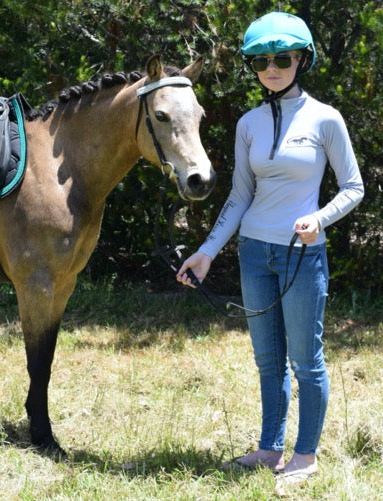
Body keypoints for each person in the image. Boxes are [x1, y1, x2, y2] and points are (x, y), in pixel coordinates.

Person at [176, 12, 364, 485]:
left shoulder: (326, 118)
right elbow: (240, 195)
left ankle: (305, 455)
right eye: (262, 61)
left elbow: (353, 187)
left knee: (306, 359)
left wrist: (318, 218)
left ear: (301, 60)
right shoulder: (248, 123)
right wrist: (208, 250)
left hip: (303, 255)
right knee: (267, 359)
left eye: (282, 58)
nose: (272, 68)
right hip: (255, 254)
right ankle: (268, 447)